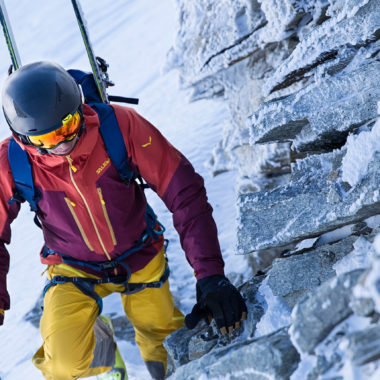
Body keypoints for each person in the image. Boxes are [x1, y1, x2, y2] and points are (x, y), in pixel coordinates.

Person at [0, 61, 247, 380]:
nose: (62, 144)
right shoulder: (13, 162)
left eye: (68, 127)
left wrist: (211, 275)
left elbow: (184, 192)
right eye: (47, 139)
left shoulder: (118, 127)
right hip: (72, 267)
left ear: (80, 107)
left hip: (140, 255)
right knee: (62, 364)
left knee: (165, 349)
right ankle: (103, 351)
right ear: (22, 138)